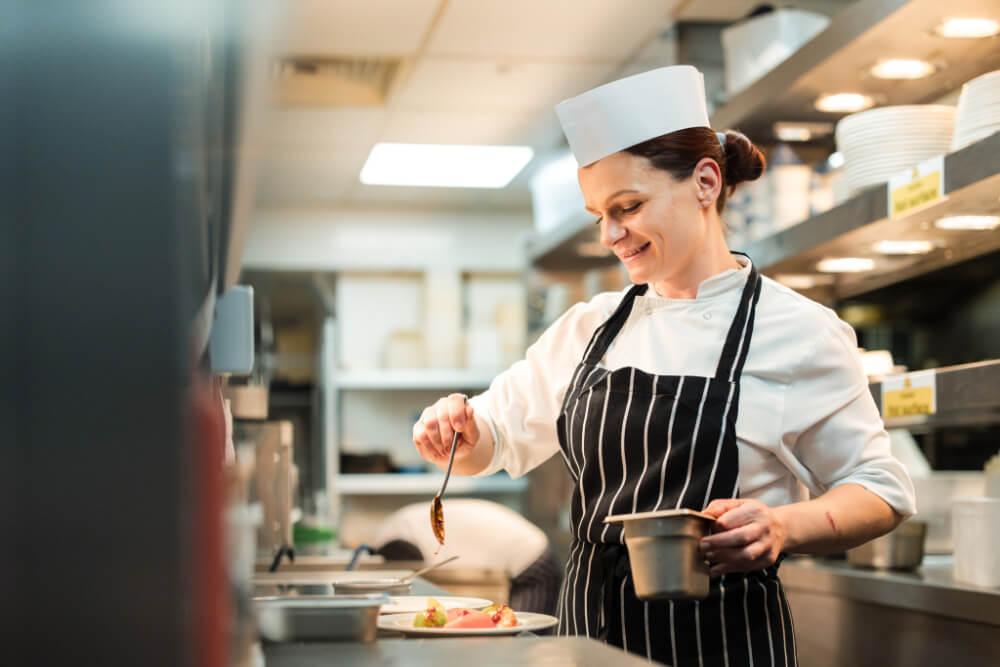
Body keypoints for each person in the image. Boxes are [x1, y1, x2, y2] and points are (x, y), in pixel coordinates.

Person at [411, 65, 915, 665]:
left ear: (705, 182)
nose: (609, 235)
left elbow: (880, 490)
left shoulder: (798, 331)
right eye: (599, 214)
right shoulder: (589, 327)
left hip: (724, 646)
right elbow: (487, 443)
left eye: (627, 206)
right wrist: (453, 431)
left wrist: (782, 526)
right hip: (590, 642)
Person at [373, 499, 562, 615]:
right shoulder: (400, 526)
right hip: (526, 547)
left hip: (533, 561)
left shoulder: (402, 536)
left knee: (525, 642)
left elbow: (413, 571)